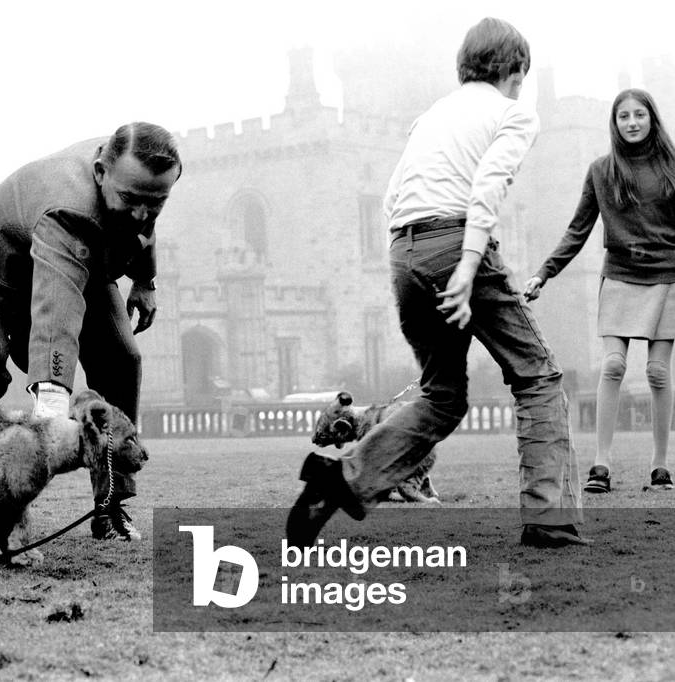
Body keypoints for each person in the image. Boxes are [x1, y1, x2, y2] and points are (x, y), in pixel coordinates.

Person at [287, 17, 588, 548]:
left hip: (404, 251)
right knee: (538, 375)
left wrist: (419, 261)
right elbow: (488, 189)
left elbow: (390, 198)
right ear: (516, 70)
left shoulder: (432, 116)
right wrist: (469, 266)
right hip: (456, 243)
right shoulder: (514, 112)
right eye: (522, 75)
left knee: (442, 396)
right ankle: (550, 518)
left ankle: (343, 478)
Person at [0, 122, 182, 543]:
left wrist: (145, 281)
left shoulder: (137, 184)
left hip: (84, 259)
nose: (142, 212)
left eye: (156, 202)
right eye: (131, 199)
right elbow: (55, 318)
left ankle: (110, 503)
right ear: (100, 172)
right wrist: (50, 405)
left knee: (123, 360)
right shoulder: (69, 208)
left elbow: (143, 226)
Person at [524, 89, 675, 495]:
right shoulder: (601, 171)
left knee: (658, 373)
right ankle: (600, 466)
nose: (631, 122)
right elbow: (578, 229)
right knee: (612, 367)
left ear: (651, 119)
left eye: (639, 114)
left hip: (668, 278)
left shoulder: (672, 167)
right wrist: (544, 273)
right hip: (621, 276)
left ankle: (661, 466)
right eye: (623, 115)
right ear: (615, 123)